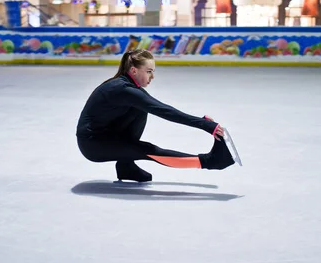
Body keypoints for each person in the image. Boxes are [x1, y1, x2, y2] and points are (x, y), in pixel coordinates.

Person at [76, 48, 235, 182]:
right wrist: (205, 125)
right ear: (134, 70)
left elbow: (158, 107)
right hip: (92, 145)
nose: (152, 77)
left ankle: (126, 166)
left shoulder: (128, 87)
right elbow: (164, 111)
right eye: (149, 71)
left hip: (105, 135)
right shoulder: (123, 89)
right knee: (147, 150)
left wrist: (203, 123)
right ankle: (210, 161)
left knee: (139, 108)